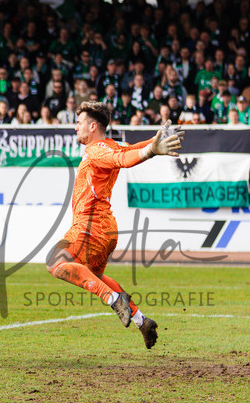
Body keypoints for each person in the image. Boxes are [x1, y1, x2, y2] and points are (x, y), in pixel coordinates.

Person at [45, 101, 182, 348]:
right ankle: (142, 321)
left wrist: (152, 150)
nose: (76, 128)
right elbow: (128, 150)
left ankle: (112, 299)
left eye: (79, 123)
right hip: (107, 230)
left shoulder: (97, 150)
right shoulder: (109, 146)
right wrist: (153, 143)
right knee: (94, 275)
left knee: (55, 262)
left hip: (89, 227)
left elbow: (124, 158)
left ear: (93, 126)